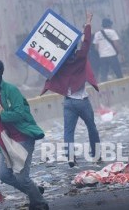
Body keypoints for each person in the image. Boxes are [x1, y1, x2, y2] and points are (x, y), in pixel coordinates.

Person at [0, 58, 48, 210]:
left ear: (0, 73)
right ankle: (35, 193)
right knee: (4, 175)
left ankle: (40, 204)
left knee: (22, 177)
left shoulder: (11, 90)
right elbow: (0, 116)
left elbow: (18, 114)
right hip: (7, 140)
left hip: (23, 137)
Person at [41, 12, 101, 166]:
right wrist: (88, 22)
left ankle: (70, 156)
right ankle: (96, 154)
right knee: (92, 128)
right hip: (81, 101)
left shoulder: (59, 63)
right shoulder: (80, 58)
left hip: (68, 102)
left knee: (68, 132)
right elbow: (86, 42)